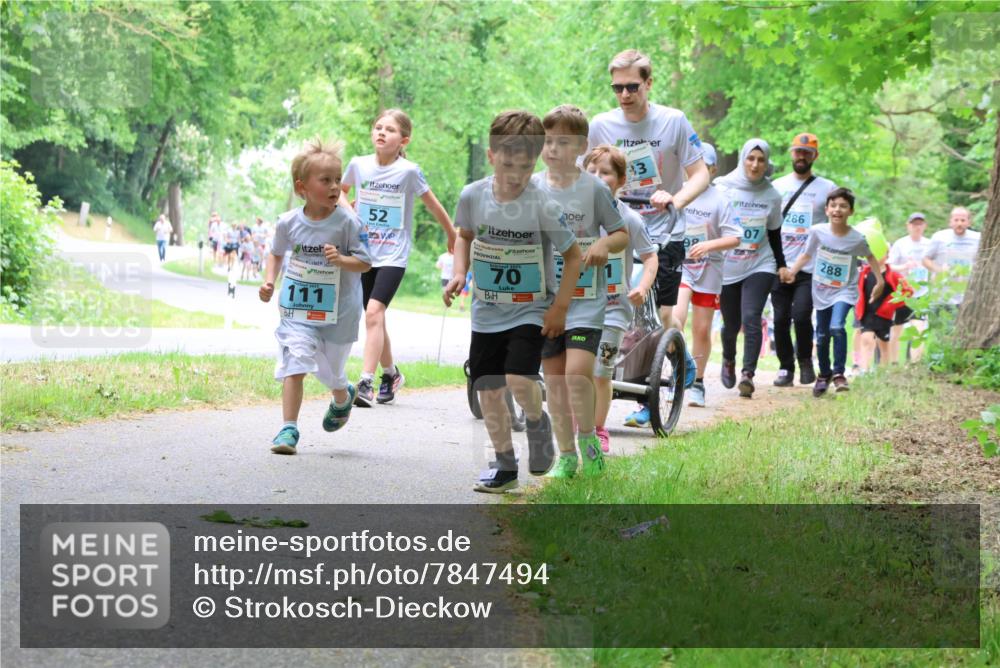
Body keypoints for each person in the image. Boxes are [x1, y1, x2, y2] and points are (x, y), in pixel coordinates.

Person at [443, 110, 580, 494]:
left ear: (535, 162)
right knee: (487, 387)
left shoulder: (544, 205)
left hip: (531, 308)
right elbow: (464, 236)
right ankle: (504, 464)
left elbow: (573, 257)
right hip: (486, 310)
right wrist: (459, 272)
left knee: (520, 379)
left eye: (524, 165)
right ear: (491, 156)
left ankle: (537, 421)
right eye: (507, 163)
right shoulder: (473, 196)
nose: (515, 173)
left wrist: (560, 308)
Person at [258, 138, 372, 454]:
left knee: (330, 371)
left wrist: (341, 259)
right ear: (302, 187)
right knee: (296, 360)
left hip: (341, 312)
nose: (335, 186)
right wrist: (269, 281)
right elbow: (276, 253)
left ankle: (341, 393)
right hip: (299, 310)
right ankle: (288, 430)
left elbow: (365, 262)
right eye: (326, 180)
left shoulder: (349, 222)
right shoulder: (288, 222)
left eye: (337, 179)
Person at [533, 106, 628, 478]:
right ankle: (567, 455)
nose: (553, 148)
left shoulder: (594, 189)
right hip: (544, 302)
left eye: (563, 142)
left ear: (581, 146)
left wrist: (607, 244)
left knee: (577, 374)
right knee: (554, 382)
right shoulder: (532, 187)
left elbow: (621, 233)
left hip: (586, 300)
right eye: (548, 141)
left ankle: (589, 440)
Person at [587, 49, 710, 333]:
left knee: (663, 315)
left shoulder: (674, 120)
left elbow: (700, 174)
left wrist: (674, 199)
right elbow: (584, 175)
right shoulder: (601, 125)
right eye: (617, 88)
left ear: (649, 83)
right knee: (612, 304)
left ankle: (679, 356)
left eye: (632, 87)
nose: (625, 95)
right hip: (618, 227)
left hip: (666, 229)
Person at [342, 109, 458, 407]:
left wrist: (451, 234)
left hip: (394, 254)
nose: (381, 132)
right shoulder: (358, 165)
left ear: (404, 139)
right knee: (374, 317)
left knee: (373, 313)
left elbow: (433, 204)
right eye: (378, 127)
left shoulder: (408, 171)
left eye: (389, 130)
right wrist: (349, 210)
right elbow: (340, 191)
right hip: (365, 252)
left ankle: (365, 383)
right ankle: (391, 374)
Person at [584, 144, 658, 452]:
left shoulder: (630, 220)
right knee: (578, 370)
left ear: (621, 180)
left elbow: (650, 258)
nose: (599, 178)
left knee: (601, 370)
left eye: (606, 173)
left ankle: (598, 430)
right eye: (592, 172)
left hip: (614, 308)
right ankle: (581, 420)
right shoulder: (573, 214)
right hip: (578, 305)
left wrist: (642, 286)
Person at [784, 188, 883, 396]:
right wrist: (792, 271)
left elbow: (871, 257)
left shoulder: (856, 239)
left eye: (843, 206)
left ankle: (839, 374)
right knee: (821, 335)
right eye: (834, 205)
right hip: (821, 290)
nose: (838, 209)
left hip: (844, 291)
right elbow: (806, 255)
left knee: (837, 326)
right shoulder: (818, 231)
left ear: (851, 211)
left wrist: (880, 281)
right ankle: (824, 374)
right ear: (827, 209)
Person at [670, 143, 741, 409]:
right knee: (674, 318)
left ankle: (698, 382)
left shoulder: (720, 200)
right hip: (683, 266)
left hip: (709, 269)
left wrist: (708, 246)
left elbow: (735, 236)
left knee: (701, 328)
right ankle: (680, 367)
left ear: (712, 169)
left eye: (705, 166)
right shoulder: (679, 192)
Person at [716, 139, 788, 398]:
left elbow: (775, 233)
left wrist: (781, 265)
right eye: (751, 158)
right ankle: (728, 359)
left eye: (761, 160)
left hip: (760, 262)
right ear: (743, 159)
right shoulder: (723, 187)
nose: (756, 164)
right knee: (731, 323)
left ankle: (748, 374)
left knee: (751, 316)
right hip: (728, 264)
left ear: (767, 163)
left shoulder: (772, 195)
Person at [770, 133, 837, 386]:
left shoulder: (827, 188)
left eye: (807, 152)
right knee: (779, 318)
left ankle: (805, 361)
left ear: (815, 156)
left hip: (810, 266)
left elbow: (836, 224)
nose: (801, 156)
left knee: (801, 315)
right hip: (780, 263)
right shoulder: (777, 186)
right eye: (798, 151)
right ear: (791, 153)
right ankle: (785, 367)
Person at [887, 212, 931, 362]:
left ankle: (913, 365)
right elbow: (890, 266)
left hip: (921, 293)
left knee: (919, 330)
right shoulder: (900, 244)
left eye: (920, 224)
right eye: (914, 224)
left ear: (925, 226)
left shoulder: (929, 244)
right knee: (896, 331)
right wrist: (904, 266)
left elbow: (935, 265)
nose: (916, 227)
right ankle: (892, 364)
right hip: (903, 293)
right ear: (908, 226)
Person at [922, 206, 981, 308]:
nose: (959, 223)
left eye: (963, 220)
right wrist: (939, 270)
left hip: (968, 295)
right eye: (956, 220)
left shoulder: (978, 238)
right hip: (942, 295)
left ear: (969, 222)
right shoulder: (939, 237)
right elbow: (925, 259)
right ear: (950, 222)